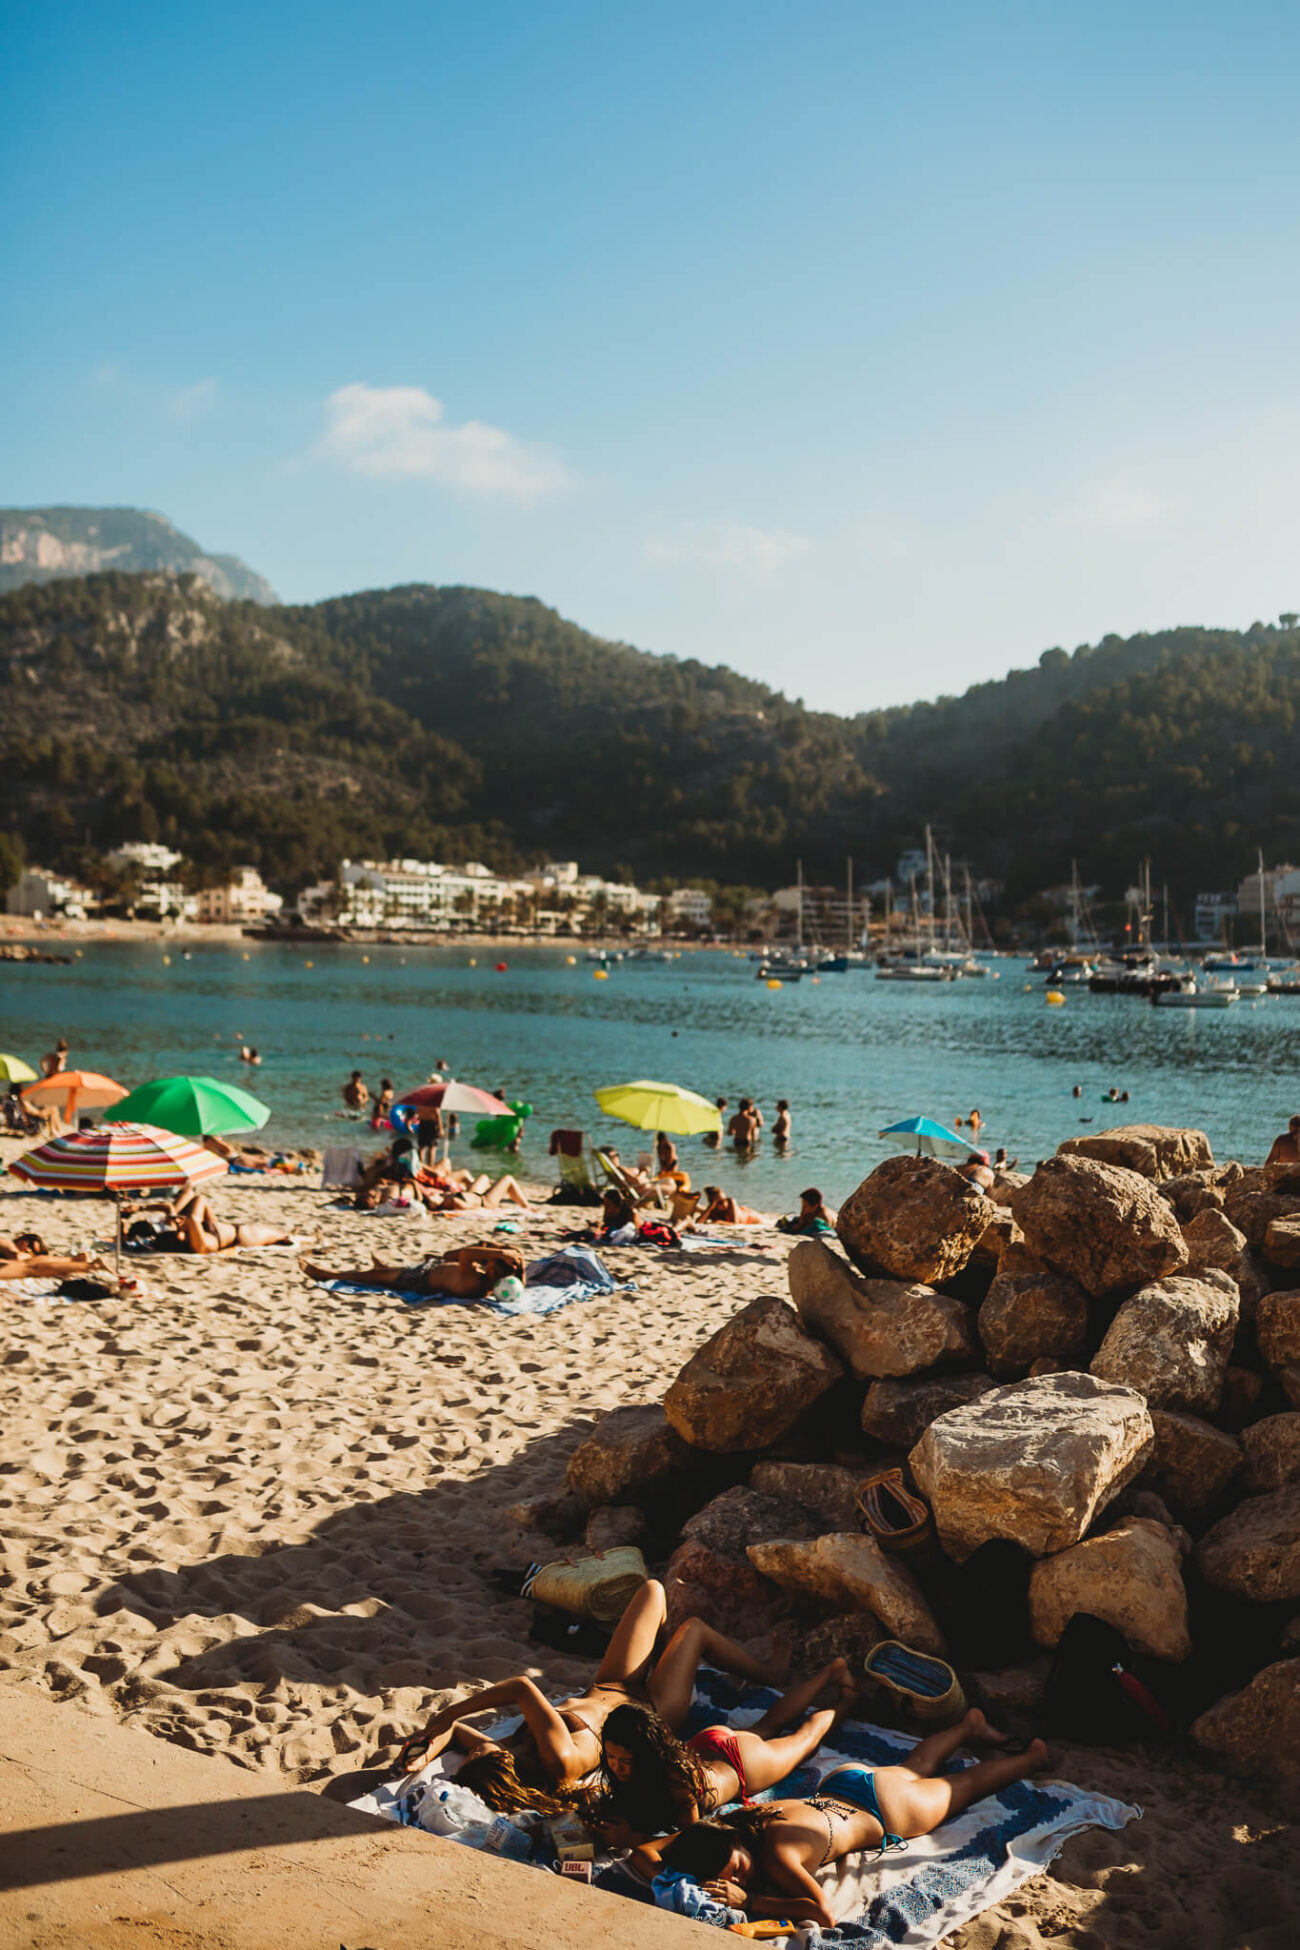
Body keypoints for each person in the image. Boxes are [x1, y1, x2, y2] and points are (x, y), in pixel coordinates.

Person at [391, 1578, 794, 1796]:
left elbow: (458, 1736)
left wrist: (425, 1749)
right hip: (654, 1709)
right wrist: (448, 1714)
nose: (474, 1750)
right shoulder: (558, 1759)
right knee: (693, 1632)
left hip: (612, 1683)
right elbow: (521, 1688)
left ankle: (664, 1651)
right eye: (474, 1756)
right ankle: (769, 1673)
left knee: (652, 1590)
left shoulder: (509, 1754)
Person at [655, 1710, 1047, 1929]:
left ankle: (1032, 1758)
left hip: (885, 1810)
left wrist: (751, 1899)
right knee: (917, 1765)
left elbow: (822, 1912)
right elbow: (674, 1845)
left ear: (734, 1844)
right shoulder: (741, 1818)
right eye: (732, 1879)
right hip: (844, 1780)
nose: (740, 1877)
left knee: (965, 1785)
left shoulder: (776, 1856)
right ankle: (968, 1725)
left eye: (737, 1867)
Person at [596, 1660, 855, 1842]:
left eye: (627, 1762)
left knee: (805, 1741)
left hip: (742, 1764)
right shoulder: (647, 1762)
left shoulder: (677, 1781)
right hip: (706, 1744)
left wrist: (634, 1839)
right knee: (767, 1726)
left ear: (647, 1756)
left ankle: (845, 1695)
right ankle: (832, 1672)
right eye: (612, 1757)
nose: (617, 1767)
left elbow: (694, 1838)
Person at [302, 1241, 526, 1300]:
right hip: (430, 1268)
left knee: (366, 1278)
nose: (488, 1261)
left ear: (495, 1272)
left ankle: (328, 1275)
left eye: (491, 1262)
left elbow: (467, 1254)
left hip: (417, 1278)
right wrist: (519, 1259)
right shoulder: (491, 1281)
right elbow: (521, 1281)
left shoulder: (474, 1284)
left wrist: (498, 1253)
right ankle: (384, 1268)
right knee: (384, 1273)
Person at [697, 1185, 762, 1226]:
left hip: (751, 1216)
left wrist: (719, 1222)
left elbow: (735, 1224)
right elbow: (698, 1222)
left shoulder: (731, 1201)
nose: (724, 1203)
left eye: (724, 1200)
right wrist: (710, 1207)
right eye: (720, 1202)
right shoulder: (713, 1209)